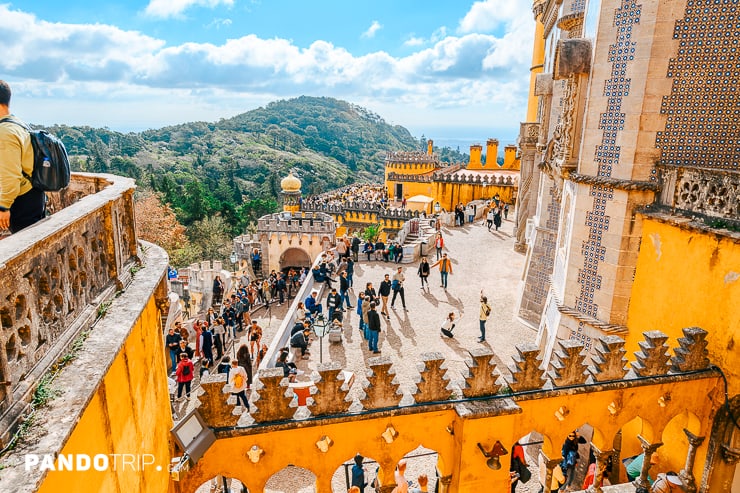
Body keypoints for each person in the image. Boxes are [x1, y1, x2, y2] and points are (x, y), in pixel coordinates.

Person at [0, 80, 46, 233]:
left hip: (22, 201)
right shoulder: (17, 123)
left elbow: (10, 175)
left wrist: (3, 206)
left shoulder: (4, 132)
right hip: (34, 194)